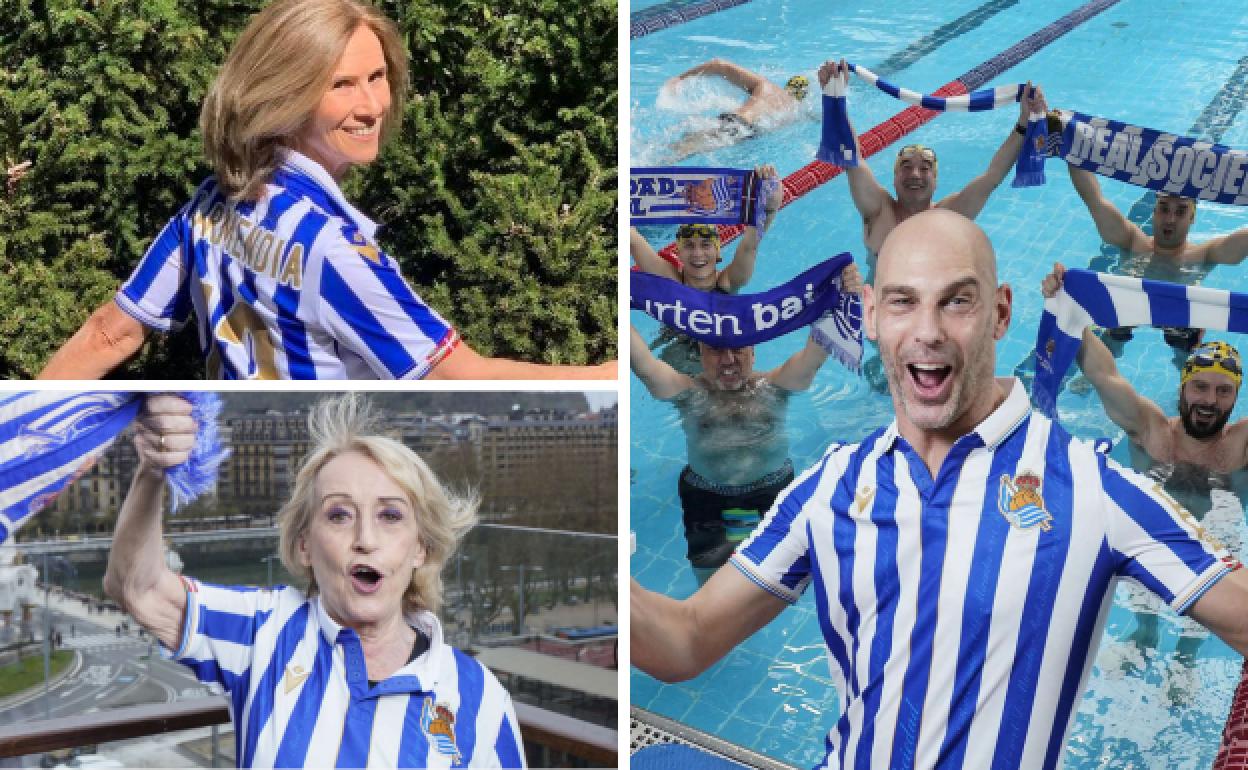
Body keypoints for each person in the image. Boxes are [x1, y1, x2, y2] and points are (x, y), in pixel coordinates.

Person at [632, 209, 1248, 769]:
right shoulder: (831, 487)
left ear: (1000, 313)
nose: (926, 331)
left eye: (957, 302)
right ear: (871, 315)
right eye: (903, 302)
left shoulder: (1094, 489)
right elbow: (686, 641)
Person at [38, 0, 613, 381]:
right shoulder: (331, 250)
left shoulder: (212, 200)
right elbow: (456, 374)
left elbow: (110, 332)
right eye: (340, 85)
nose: (371, 106)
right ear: (283, 95)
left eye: (377, 77)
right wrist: (612, 375)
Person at [103, 394, 524, 768]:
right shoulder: (265, 630)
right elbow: (138, 588)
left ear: (421, 549)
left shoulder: (479, 696)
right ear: (304, 545)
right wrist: (153, 471)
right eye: (339, 514)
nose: (365, 539)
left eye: (391, 515)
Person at [629, 303, 850, 583]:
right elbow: (646, 369)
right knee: (711, 584)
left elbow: (814, 356)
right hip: (707, 496)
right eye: (716, 350)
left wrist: (840, 297)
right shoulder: (690, 395)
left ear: (754, 351)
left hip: (772, 490)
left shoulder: (774, 388)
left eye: (739, 349)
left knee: (787, 580)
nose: (728, 360)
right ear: (700, 353)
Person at [817, 59, 1047, 274]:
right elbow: (851, 158)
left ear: (936, 180)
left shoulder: (949, 215)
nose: (915, 174)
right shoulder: (878, 211)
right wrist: (835, 95)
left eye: (925, 168)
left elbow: (992, 177)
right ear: (894, 177)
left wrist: (1025, 122)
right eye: (906, 166)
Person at [1066, 166, 1248, 350]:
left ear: (1192, 217)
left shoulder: (1205, 254)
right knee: (1112, 335)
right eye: (1164, 208)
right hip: (1129, 307)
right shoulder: (1132, 242)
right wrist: (1072, 149)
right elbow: (1093, 199)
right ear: (1154, 211)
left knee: (1189, 358)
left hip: (1179, 317)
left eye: (1180, 211)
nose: (1170, 219)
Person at [665, 59, 808, 159]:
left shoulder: (765, 86)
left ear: (787, 86)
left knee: (679, 147)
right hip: (743, 129)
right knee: (681, 152)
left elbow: (719, 64)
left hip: (735, 121)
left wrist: (679, 78)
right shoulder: (793, 110)